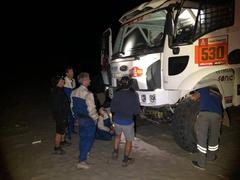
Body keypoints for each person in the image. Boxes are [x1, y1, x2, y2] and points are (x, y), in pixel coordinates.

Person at [70, 72, 99, 170]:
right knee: (88, 139)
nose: (90, 80)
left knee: (83, 138)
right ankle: (82, 161)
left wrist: (75, 118)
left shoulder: (73, 92)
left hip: (80, 119)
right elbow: (91, 109)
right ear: (85, 80)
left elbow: (72, 107)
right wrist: (96, 119)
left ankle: (84, 155)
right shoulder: (88, 94)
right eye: (89, 79)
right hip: (88, 120)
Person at [110, 76, 141, 167]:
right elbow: (136, 111)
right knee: (129, 140)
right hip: (127, 122)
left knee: (117, 136)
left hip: (117, 121)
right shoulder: (133, 95)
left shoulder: (117, 93)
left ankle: (115, 153)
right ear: (130, 84)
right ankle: (125, 160)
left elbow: (112, 108)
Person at [191, 87, 223, 170]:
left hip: (205, 114)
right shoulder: (218, 94)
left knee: (202, 138)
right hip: (217, 115)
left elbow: (193, 98)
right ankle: (211, 157)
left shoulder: (203, 88)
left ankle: (201, 164)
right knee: (214, 137)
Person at [50, 75, 70, 155]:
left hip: (63, 115)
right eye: (61, 81)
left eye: (63, 80)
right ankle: (57, 148)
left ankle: (62, 142)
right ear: (57, 83)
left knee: (63, 130)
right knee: (59, 132)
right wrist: (61, 117)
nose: (63, 82)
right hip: (60, 116)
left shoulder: (60, 90)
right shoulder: (56, 92)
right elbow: (57, 107)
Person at [64, 66, 77, 142]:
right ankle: (68, 134)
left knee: (72, 116)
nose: (73, 73)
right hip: (67, 102)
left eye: (73, 72)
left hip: (72, 101)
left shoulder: (73, 80)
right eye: (71, 72)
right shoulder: (64, 81)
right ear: (67, 73)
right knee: (68, 118)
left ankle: (71, 130)